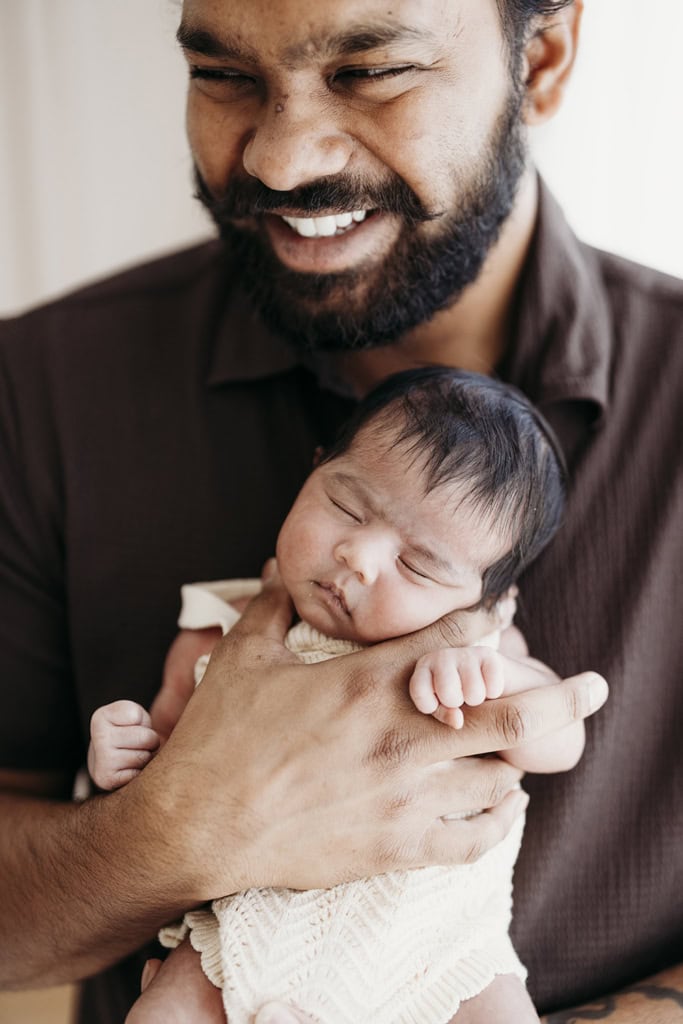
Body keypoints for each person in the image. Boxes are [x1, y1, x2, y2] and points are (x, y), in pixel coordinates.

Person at [0, 1, 679, 1022]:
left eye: (370, 73)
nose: (278, 162)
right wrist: (182, 825)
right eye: (224, 75)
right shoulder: (42, 389)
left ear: (538, 57)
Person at [88, 367, 584, 1024]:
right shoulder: (221, 627)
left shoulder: (483, 647)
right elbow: (164, 778)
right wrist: (120, 753)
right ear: (313, 469)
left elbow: (559, 739)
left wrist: (494, 681)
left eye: (418, 565)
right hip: (250, 934)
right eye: (346, 506)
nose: (357, 556)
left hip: (439, 949)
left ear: (486, 599)